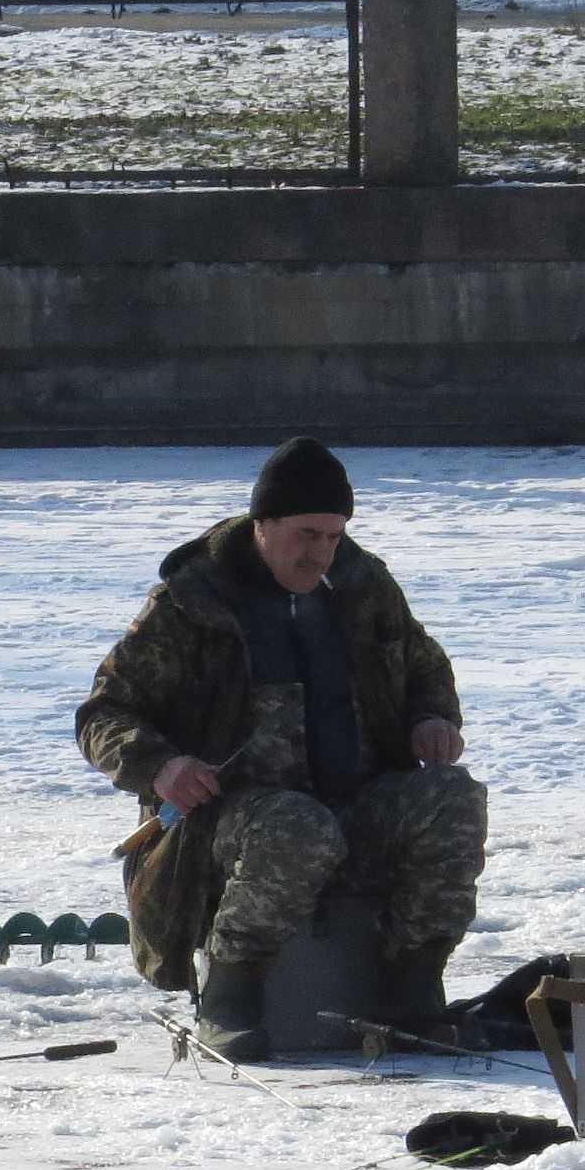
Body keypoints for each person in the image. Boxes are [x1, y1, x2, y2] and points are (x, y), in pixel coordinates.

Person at [76, 437, 487, 1061]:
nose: (321, 550)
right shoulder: (191, 604)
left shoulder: (364, 587)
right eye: (306, 533)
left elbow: (425, 665)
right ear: (262, 525)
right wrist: (162, 767)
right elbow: (103, 715)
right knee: (298, 825)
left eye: (333, 535)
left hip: (355, 804)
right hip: (225, 822)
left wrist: (433, 719)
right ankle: (232, 993)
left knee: (452, 798)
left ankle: (412, 984)